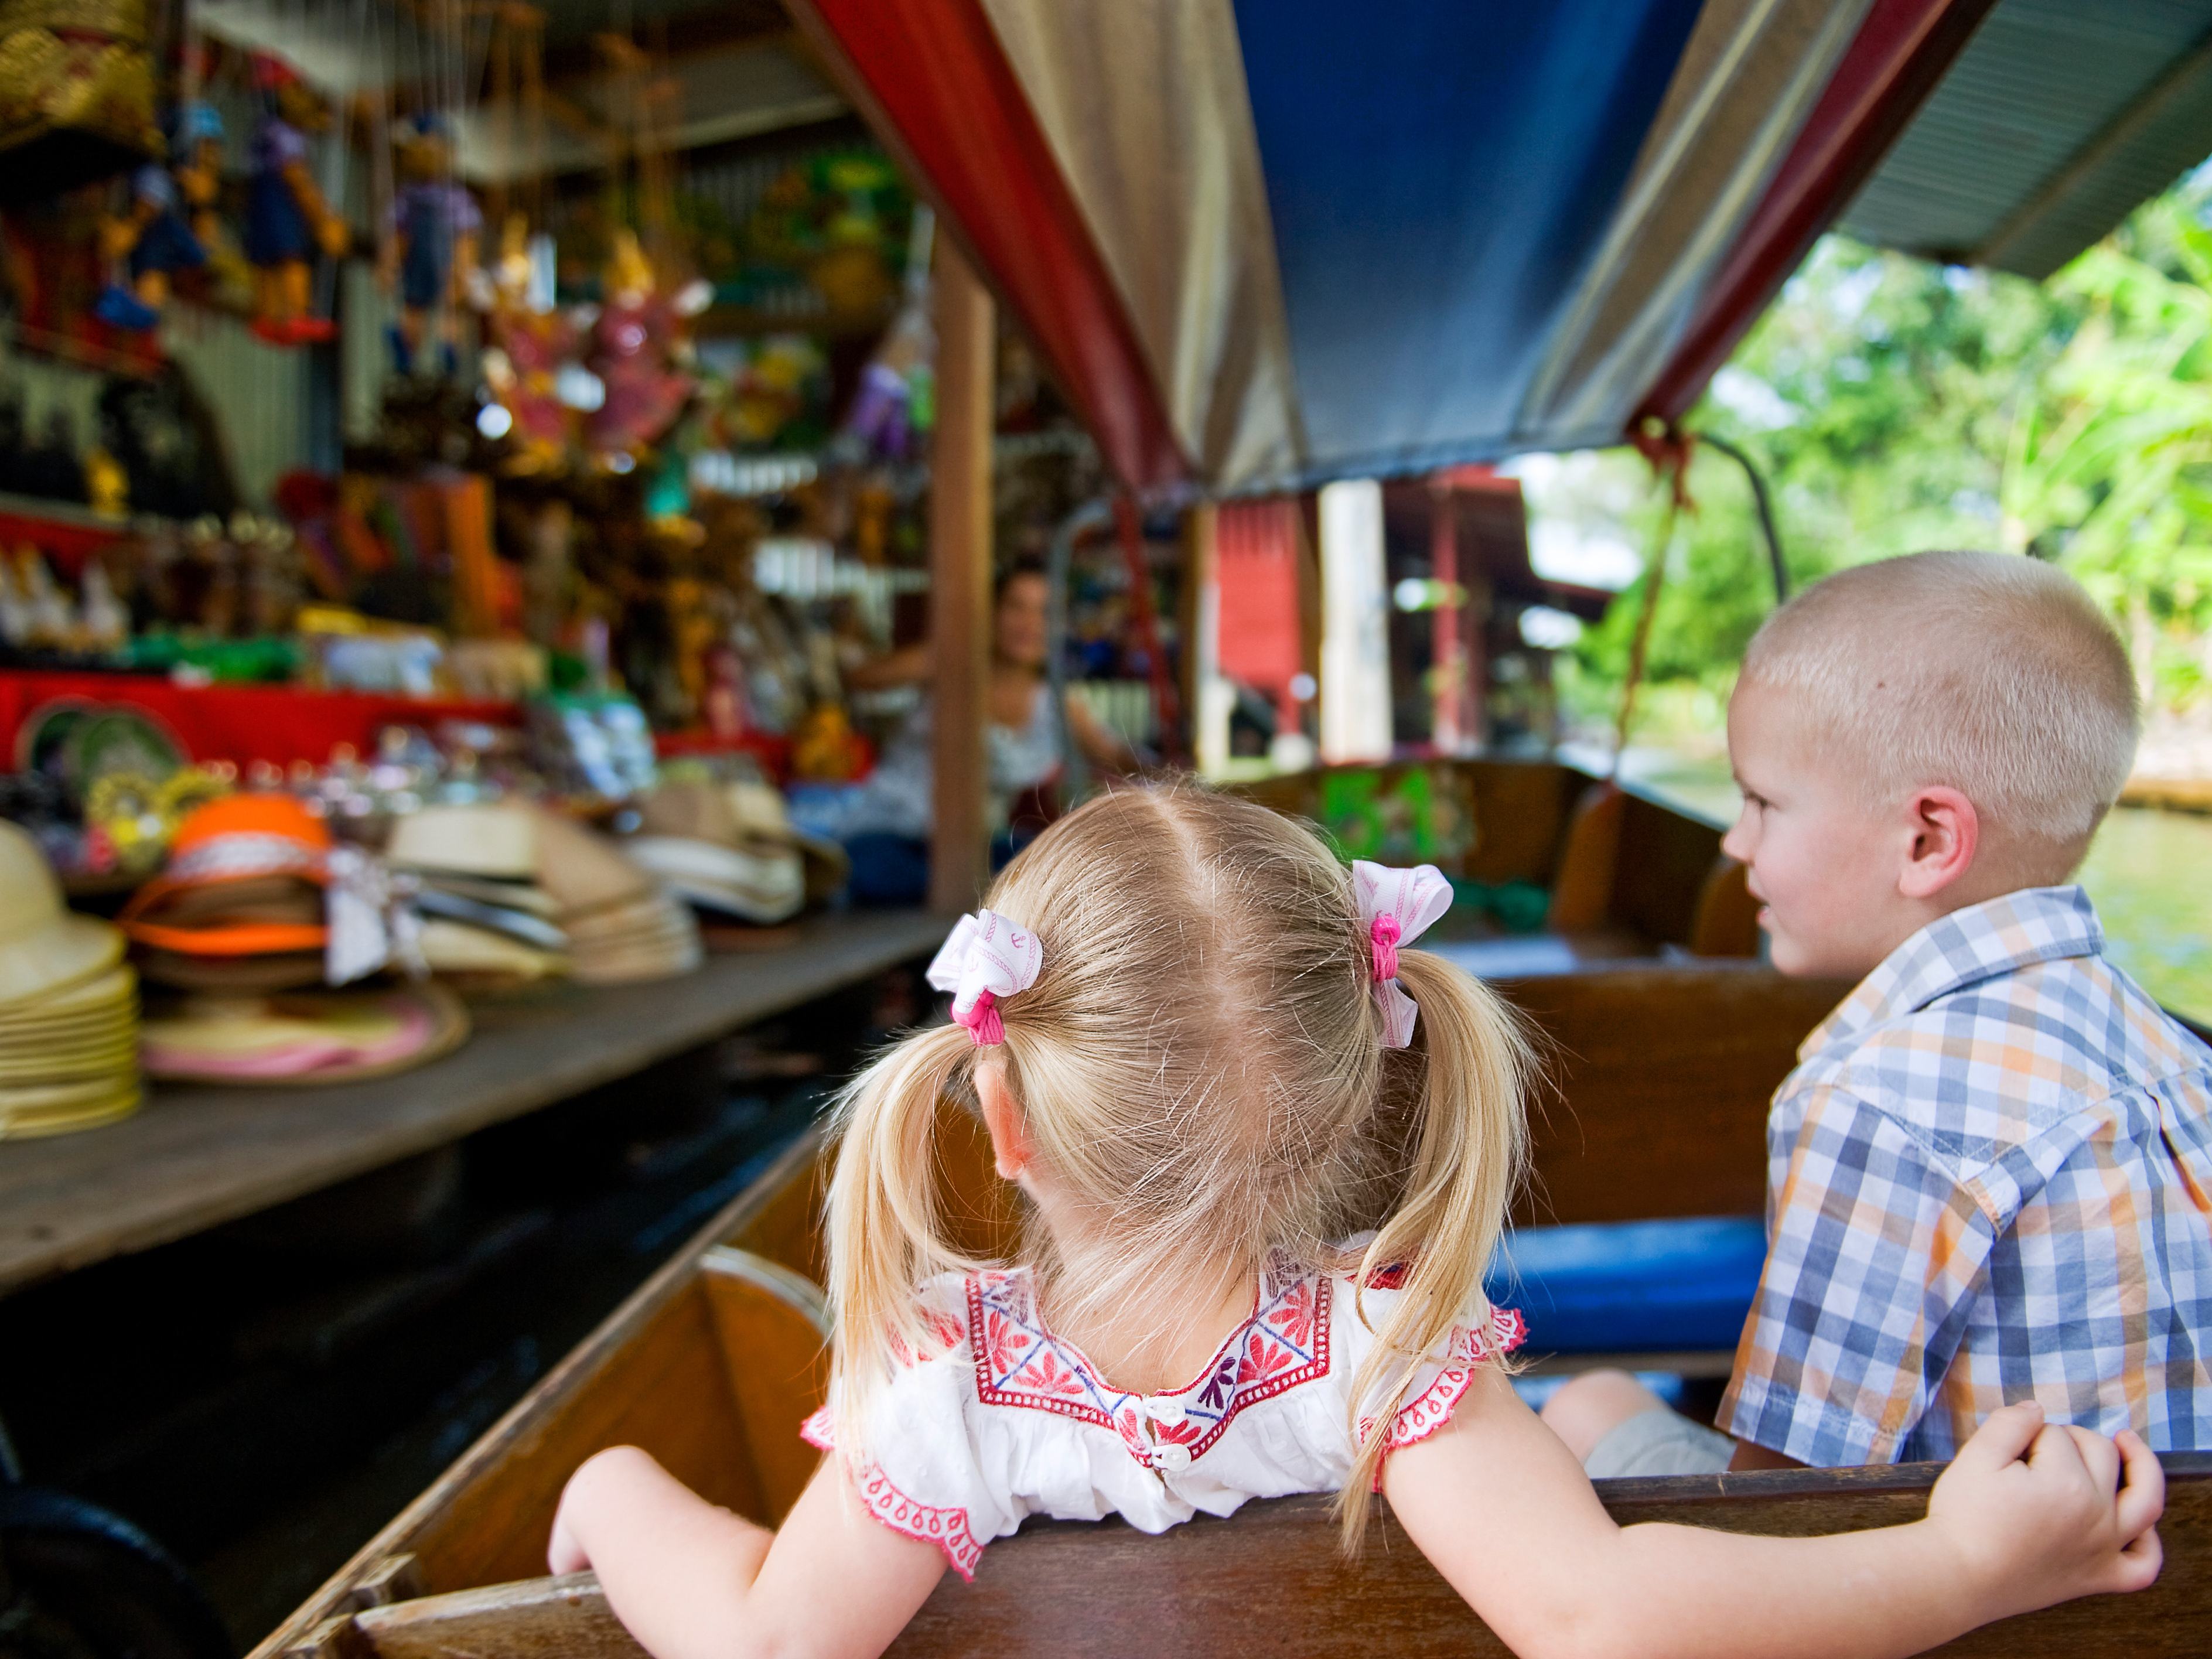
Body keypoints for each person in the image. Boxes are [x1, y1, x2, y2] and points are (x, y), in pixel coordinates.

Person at [548, 784, 2162, 1659]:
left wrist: (619, 1491)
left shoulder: (940, 1395)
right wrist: (1957, 1566)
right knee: (1610, 1412)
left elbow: (764, 1647)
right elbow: (1600, 1621)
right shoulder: (1382, 1352)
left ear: (1003, 1116)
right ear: (1352, 1092)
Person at [1544, 550, 2212, 1479]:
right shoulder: (2174, 1057)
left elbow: (1789, 1498)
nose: (1734, 845)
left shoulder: (1873, 1104)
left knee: (1586, 1403)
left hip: (1984, 1611)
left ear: (1928, 840)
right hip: (2166, 1589)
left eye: (1762, 803)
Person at [837, 562, 1136, 904]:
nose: (1030, 624)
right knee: (887, 876)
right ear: (991, 615)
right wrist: (941, 657)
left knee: (1060, 867)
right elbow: (855, 680)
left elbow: (1121, 757)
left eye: (1045, 612)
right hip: (888, 838)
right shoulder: (947, 663)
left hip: (970, 854)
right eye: (1016, 607)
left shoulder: (1056, 705)